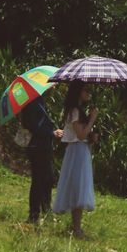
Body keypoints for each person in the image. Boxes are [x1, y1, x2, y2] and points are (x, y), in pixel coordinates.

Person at [52, 81, 97, 239]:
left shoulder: (78, 110)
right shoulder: (75, 111)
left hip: (80, 150)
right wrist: (92, 119)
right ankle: (76, 229)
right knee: (77, 188)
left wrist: (92, 136)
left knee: (78, 188)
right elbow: (80, 135)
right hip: (77, 151)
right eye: (86, 89)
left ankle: (76, 227)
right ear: (79, 91)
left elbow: (83, 135)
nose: (88, 92)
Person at [19, 95, 59, 223]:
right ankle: (34, 215)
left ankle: (46, 210)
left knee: (47, 179)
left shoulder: (39, 99)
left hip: (43, 145)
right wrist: (51, 133)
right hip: (36, 146)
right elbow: (32, 125)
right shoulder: (31, 101)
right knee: (38, 180)